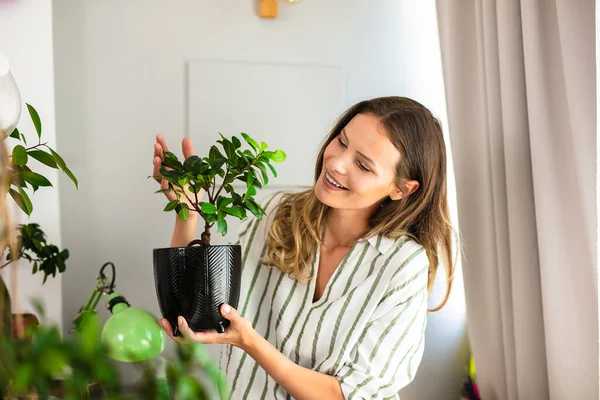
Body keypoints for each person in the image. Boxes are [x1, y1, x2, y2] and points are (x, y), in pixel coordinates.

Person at [152, 96, 455, 400]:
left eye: (362, 165)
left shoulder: (402, 266)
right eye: (341, 141)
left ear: (401, 189)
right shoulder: (275, 215)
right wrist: (187, 213)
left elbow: (347, 395)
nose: (336, 163)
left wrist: (251, 343)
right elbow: (195, 314)